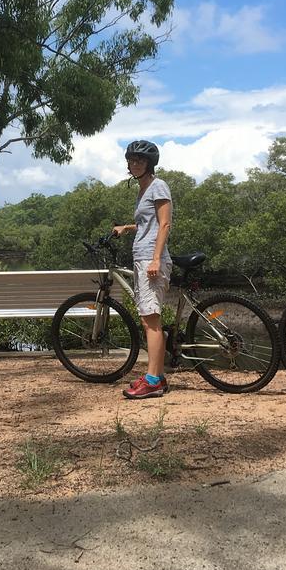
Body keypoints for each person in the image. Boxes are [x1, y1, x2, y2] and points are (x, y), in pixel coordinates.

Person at [112, 139, 173, 399]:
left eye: (139, 160)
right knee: (148, 319)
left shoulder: (158, 185)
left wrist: (156, 259)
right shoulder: (143, 188)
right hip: (143, 257)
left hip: (151, 259)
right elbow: (148, 223)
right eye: (131, 160)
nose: (134, 164)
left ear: (149, 163)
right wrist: (128, 227)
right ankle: (156, 375)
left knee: (151, 321)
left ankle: (152, 382)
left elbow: (164, 224)